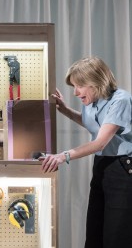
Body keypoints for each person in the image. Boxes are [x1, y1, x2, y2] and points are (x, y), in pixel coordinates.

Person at [41, 56, 132, 248]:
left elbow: (100, 142)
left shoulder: (121, 100)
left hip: (123, 169)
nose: (75, 92)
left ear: (95, 82)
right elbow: (95, 125)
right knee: (94, 235)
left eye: (79, 86)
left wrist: (63, 156)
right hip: (101, 167)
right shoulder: (92, 102)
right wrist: (65, 110)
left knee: (116, 238)